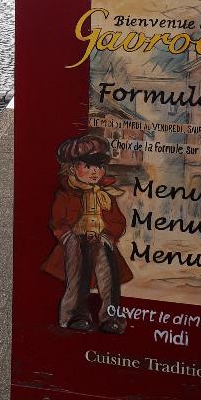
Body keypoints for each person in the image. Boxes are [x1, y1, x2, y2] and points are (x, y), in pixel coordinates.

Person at [41, 132, 132, 334]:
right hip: (75, 240)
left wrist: (109, 235)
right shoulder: (67, 192)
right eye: (88, 166)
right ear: (74, 168)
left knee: (108, 274)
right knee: (76, 275)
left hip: (100, 238)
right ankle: (75, 314)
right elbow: (58, 220)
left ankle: (111, 315)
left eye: (99, 167)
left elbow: (117, 221)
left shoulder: (105, 195)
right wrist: (68, 237)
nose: (94, 172)